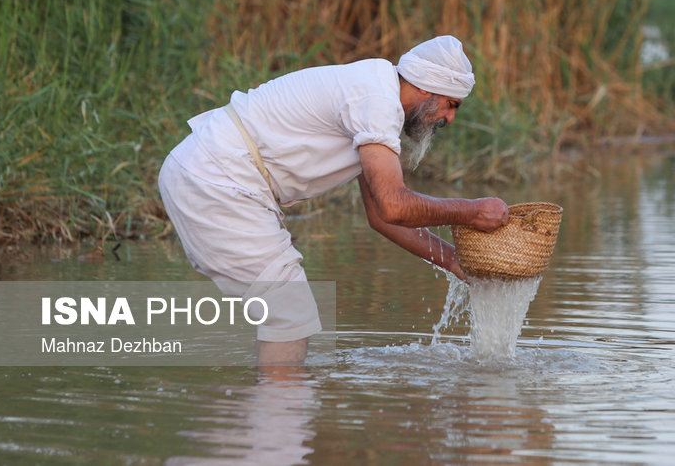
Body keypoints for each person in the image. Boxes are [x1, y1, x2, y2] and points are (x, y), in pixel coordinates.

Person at [157, 35, 509, 366]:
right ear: (423, 87)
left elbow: (380, 217)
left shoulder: (374, 90)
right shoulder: (376, 100)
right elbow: (394, 204)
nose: (450, 118)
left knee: (286, 311)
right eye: (451, 105)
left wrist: (454, 261)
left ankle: (271, 417)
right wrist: (472, 212)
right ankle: (278, 419)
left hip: (213, 174)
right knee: (288, 311)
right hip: (217, 178)